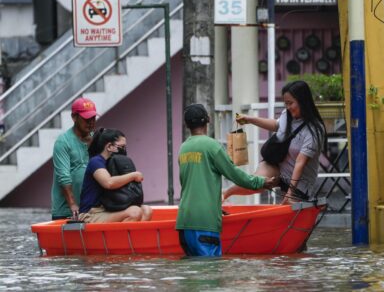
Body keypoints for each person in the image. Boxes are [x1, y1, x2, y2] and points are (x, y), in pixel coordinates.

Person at [176, 103, 277, 257]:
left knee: (192, 276)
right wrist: (261, 182)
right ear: (208, 120)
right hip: (205, 223)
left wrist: (214, 205)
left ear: (187, 124)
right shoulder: (212, 146)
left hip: (184, 222)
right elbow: (234, 174)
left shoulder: (183, 148)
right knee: (210, 274)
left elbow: (188, 184)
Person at [222, 80, 326, 205]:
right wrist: (250, 119)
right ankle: (226, 193)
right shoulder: (287, 115)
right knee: (257, 183)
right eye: (285, 103)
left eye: (290, 103)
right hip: (277, 166)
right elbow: (277, 125)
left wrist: (290, 193)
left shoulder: (314, 130)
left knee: (292, 213)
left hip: (300, 182)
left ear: (303, 101)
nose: (287, 107)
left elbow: (300, 162)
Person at [78, 128, 152, 223]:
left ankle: (133, 238)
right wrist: (133, 175)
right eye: (122, 146)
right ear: (109, 146)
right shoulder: (96, 161)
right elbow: (109, 183)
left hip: (108, 208)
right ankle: (119, 238)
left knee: (146, 210)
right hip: (91, 213)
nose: (124, 150)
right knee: (134, 212)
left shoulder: (113, 162)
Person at [51, 97, 98, 220]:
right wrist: (72, 204)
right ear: (74, 117)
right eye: (86, 118)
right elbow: (63, 176)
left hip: (90, 208)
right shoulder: (63, 141)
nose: (91, 122)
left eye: (93, 118)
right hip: (67, 210)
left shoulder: (95, 138)